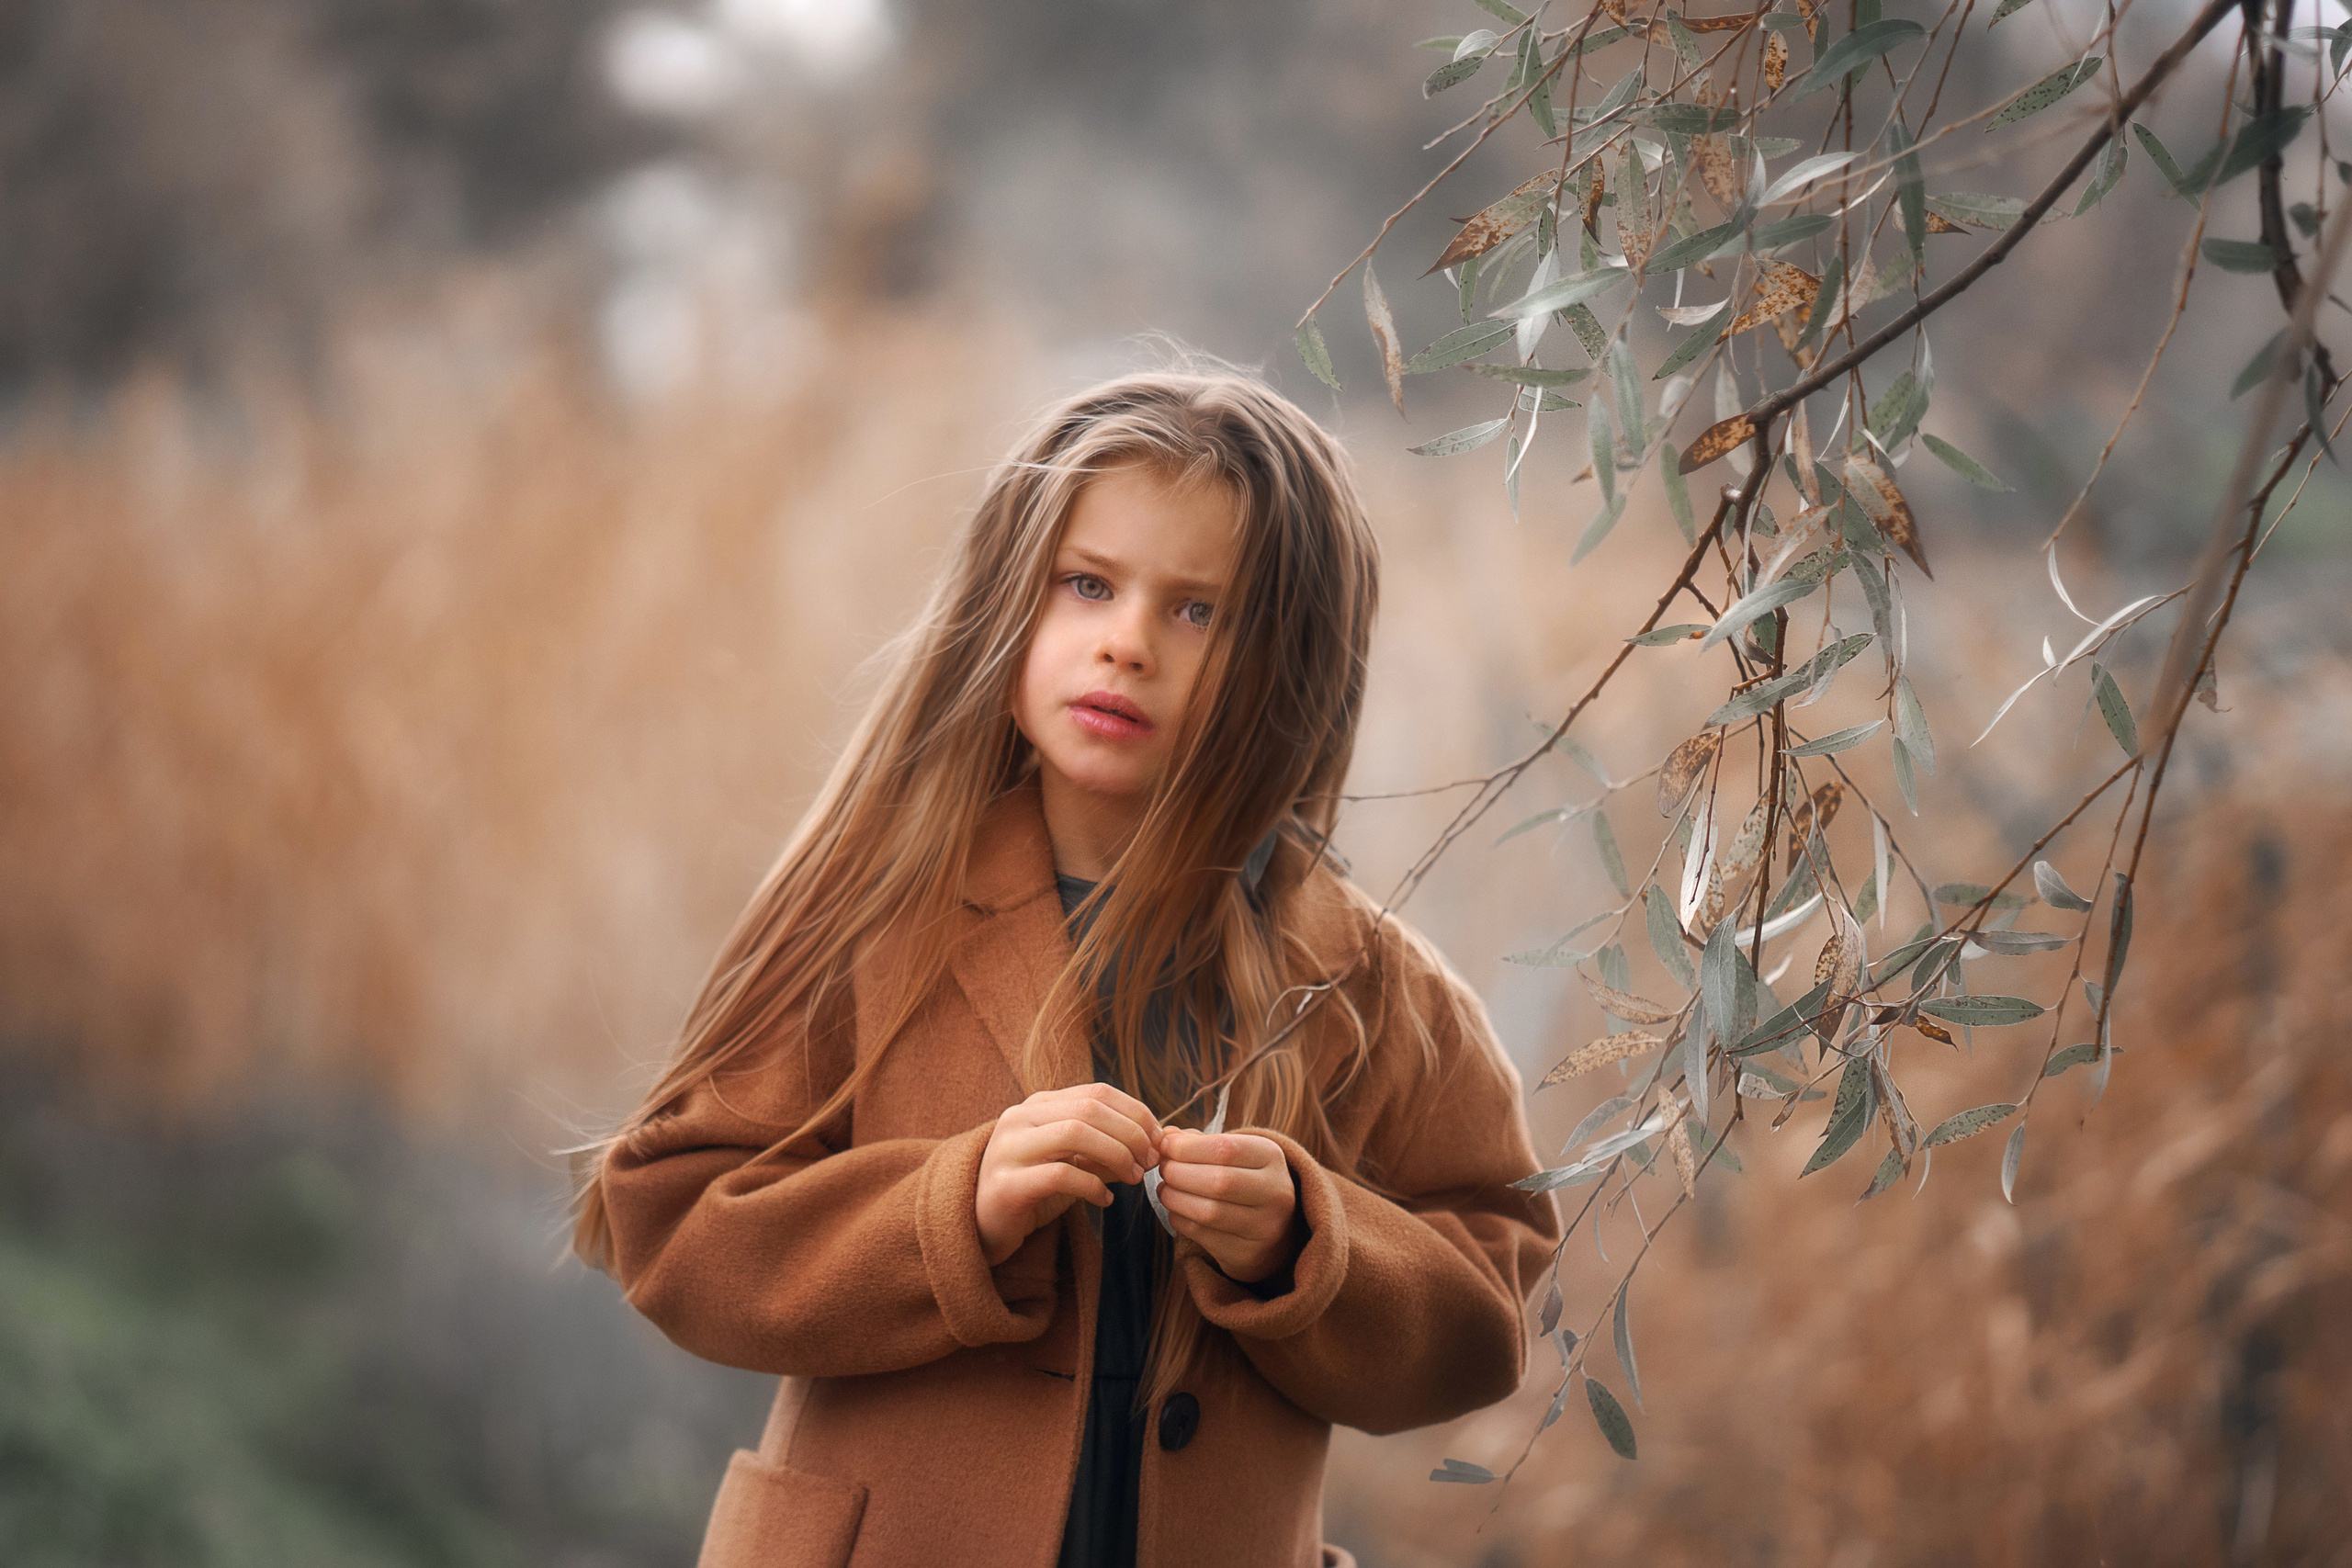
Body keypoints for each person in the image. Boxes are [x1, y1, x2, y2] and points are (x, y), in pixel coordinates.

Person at [569, 366, 1561, 1568]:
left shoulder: (1368, 985)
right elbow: (673, 1223)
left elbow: (1488, 1304)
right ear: (1008, 605)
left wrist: (1310, 1241)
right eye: (1088, 584)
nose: (1126, 644)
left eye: (1198, 612)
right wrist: (958, 1204)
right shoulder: (876, 906)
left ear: (1291, 666)